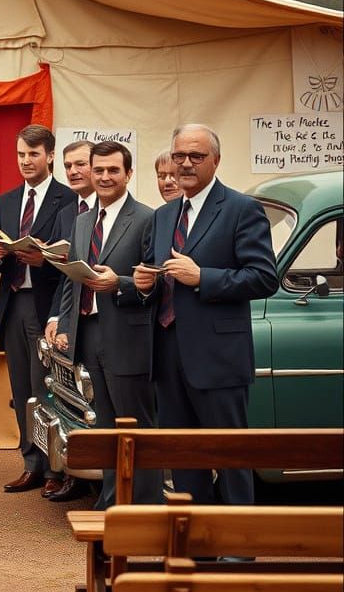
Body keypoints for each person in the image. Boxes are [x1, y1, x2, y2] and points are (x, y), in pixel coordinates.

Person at [132, 124, 277, 505]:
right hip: (167, 355)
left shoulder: (241, 208)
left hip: (217, 359)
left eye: (196, 157)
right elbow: (160, 273)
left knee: (229, 456)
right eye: (179, 156)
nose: (185, 164)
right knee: (183, 456)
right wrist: (146, 285)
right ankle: (196, 543)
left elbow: (263, 278)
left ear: (216, 160)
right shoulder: (164, 216)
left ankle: (237, 548)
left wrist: (203, 278)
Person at [54, 141, 160, 507]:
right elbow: (73, 279)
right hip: (87, 334)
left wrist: (121, 284)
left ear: (128, 174)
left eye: (113, 170)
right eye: (98, 170)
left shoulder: (148, 219)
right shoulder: (82, 220)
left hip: (127, 337)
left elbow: (157, 282)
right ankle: (112, 500)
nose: (104, 177)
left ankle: (145, 506)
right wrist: (66, 324)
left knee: (136, 427)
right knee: (103, 425)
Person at [0, 124, 75, 496]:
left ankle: (56, 467)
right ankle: (30, 463)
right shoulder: (6, 200)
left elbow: (73, 258)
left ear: (50, 156)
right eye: (21, 155)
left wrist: (45, 259)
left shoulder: (69, 199)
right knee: (21, 388)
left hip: (47, 305)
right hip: (13, 302)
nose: (26, 161)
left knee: (48, 389)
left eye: (33, 155)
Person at [41, 139, 98, 502]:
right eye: (68, 165)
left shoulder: (132, 214)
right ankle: (76, 478)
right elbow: (68, 274)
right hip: (72, 320)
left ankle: (104, 483)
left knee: (100, 401)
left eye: (82, 164)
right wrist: (57, 317)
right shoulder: (69, 215)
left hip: (107, 322)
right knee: (74, 399)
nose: (74, 171)